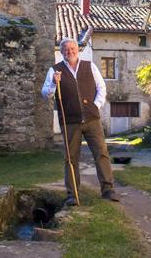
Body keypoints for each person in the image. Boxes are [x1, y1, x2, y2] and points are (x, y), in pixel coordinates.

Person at [41, 38, 119, 205]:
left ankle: (108, 190)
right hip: (69, 122)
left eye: (72, 48)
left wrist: (95, 106)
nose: (70, 51)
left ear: (78, 50)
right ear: (61, 52)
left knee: (102, 154)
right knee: (71, 158)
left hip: (92, 120)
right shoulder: (55, 71)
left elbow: (101, 88)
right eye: (66, 49)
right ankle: (72, 195)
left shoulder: (89, 66)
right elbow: (46, 94)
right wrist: (54, 84)